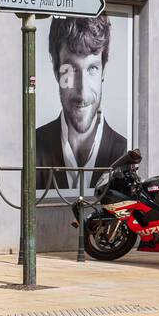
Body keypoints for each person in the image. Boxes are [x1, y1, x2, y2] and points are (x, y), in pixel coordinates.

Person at [35, 16, 127, 192]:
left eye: (92, 68)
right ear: (56, 71)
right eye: (70, 70)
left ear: (103, 72)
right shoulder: (32, 148)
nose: (82, 92)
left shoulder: (124, 152)